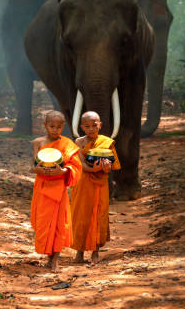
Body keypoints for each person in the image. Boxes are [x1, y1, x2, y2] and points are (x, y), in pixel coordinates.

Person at [30, 110, 81, 272]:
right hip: (42, 186)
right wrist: (38, 170)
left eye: (59, 127)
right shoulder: (37, 142)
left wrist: (63, 172)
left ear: (63, 127)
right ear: (45, 125)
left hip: (58, 187)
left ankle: (56, 260)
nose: (55, 130)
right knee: (44, 222)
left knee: (60, 223)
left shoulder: (67, 144)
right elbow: (33, 166)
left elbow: (75, 166)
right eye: (52, 126)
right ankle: (48, 257)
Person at [71, 111, 121, 264]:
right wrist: (93, 169)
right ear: (82, 127)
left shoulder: (107, 142)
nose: (91, 129)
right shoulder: (79, 142)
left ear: (100, 125)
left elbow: (113, 165)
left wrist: (105, 168)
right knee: (81, 215)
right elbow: (81, 164)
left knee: (98, 214)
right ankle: (79, 252)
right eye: (87, 126)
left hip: (100, 184)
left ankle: (95, 252)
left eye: (94, 125)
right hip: (83, 183)